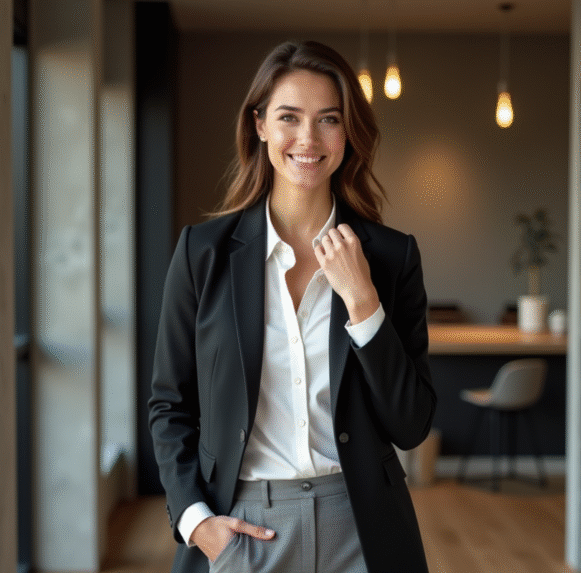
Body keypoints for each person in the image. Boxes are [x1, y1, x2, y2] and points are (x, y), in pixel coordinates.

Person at [149, 40, 437, 573]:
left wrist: (363, 301)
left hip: (362, 530)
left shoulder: (393, 258)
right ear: (260, 125)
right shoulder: (202, 253)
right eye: (289, 117)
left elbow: (411, 424)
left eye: (328, 119)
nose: (308, 139)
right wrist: (196, 522)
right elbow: (170, 404)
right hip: (243, 529)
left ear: (348, 132)